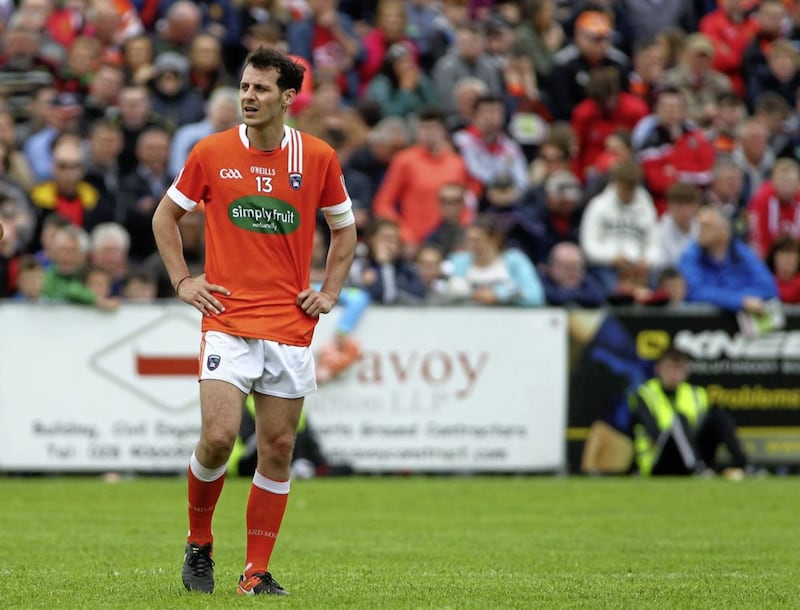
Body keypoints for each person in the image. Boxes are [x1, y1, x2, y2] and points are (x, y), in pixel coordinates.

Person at [151, 47, 357, 597]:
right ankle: (200, 543)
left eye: (261, 89)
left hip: (289, 326)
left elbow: (345, 229)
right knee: (218, 438)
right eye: (245, 87)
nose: (248, 96)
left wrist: (329, 292)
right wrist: (183, 282)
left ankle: (255, 572)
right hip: (227, 320)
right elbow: (165, 217)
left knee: (279, 448)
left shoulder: (317, 158)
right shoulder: (212, 152)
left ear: (288, 98)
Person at [629, 346, 754, 477]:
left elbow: (705, 429)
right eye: (669, 368)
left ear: (686, 372)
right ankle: (697, 468)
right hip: (658, 459)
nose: (674, 375)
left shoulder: (697, 394)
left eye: (678, 369)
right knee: (679, 421)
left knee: (719, 416)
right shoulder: (644, 394)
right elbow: (654, 433)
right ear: (658, 369)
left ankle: (746, 465)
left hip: (694, 450)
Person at [678, 206, 777, 312]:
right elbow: (693, 291)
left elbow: (768, 289)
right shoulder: (689, 256)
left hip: (740, 324)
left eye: (707, 226)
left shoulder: (741, 253)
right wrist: (740, 301)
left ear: (724, 232)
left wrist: (729, 298)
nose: (700, 231)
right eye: (699, 225)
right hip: (701, 324)